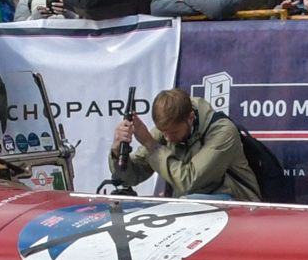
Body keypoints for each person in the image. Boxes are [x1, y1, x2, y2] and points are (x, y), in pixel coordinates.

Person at [109, 86, 260, 202]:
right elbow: (131, 177)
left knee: (188, 201)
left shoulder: (223, 132)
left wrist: (150, 143)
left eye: (173, 133)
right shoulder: (168, 128)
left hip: (240, 207)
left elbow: (189, 180)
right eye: (163, 132)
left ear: (190, 118)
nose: (167, 138)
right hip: (196, 210)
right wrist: (117, 152)